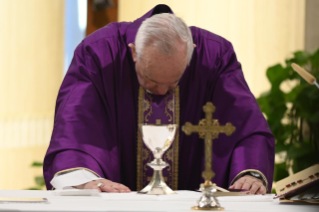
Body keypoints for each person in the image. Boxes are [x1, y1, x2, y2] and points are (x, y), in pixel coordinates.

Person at [43, 4, 275, 194]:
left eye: (174, 83)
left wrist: (249, 173)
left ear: (191, 53)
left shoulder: (214, 56)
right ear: (133, 52)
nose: (162, 94)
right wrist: (83, 181)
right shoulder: (99, 54)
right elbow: (74, 127)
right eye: (151, 80)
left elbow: (246, 126)